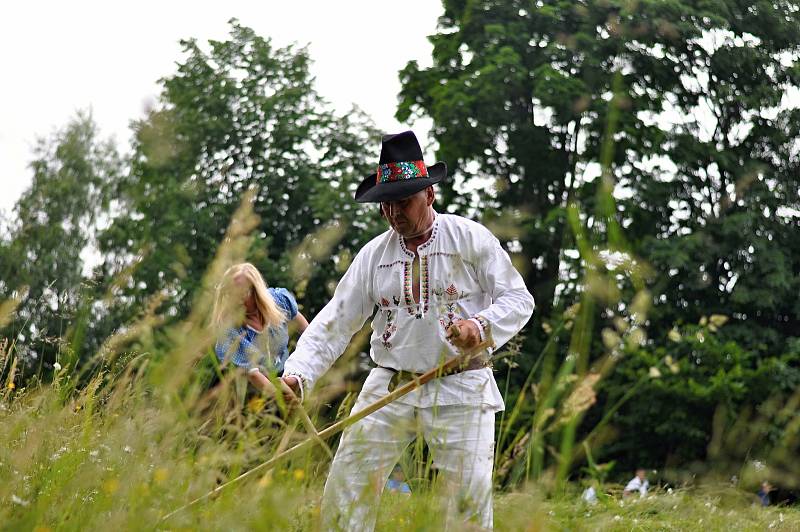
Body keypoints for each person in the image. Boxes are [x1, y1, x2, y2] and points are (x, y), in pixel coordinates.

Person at [280, 131, 535, 530]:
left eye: (404, 202)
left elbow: (519, 299)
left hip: (460, 385)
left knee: (467, 504)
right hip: (389, 386)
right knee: (347, 488)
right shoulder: (373, 256)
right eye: (387, 205)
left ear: (429, 195)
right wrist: (298, 373)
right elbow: (335, 322)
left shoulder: (468, 238)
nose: (395, 213)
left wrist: (480, 327)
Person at [213, 263, 308, 393]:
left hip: (292, 376)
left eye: (243, 293)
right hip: (259, 396)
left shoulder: (278, 300)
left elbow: (309, 334)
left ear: (256, 291)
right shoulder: (230, 333)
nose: (237, 300)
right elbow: (255, 376)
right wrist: (287, 400)